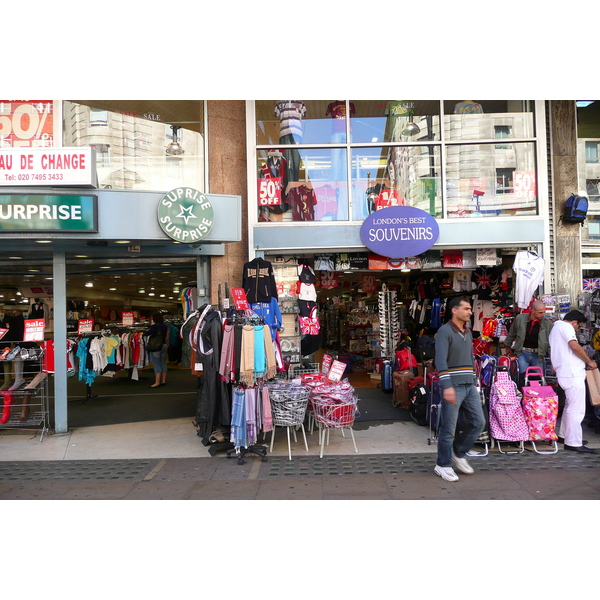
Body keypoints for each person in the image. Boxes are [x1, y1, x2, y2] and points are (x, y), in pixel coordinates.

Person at [434, 297, 486, 482]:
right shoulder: (444, 331)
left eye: (470, 309)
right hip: (453, 385)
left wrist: (474, 379)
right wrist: (447, 386)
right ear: (454, 311)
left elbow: (470, 357)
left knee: (478, 422)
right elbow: (440, 360)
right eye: (466, 308)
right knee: (448, 428)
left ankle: (458, 451)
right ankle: (443, 464)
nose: (470, 312)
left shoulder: (468, 332)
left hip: (469, 385)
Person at [549, 310, 597, 454]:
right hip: (572, 373)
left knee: (571, 405)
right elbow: (574, 346)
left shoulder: (555, 327)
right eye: (578, 327)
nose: (577, 330)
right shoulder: (566, 327)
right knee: (576, 409)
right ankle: (573, 442)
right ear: (575, 322)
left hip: (565, 372)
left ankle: (565, 436)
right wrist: (589, 361)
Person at [503, 300, 553, 384]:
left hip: (538, 354)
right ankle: (524, 395)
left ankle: (537, 396)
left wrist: (553, 359)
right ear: (532, 311)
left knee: (538, 379)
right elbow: (512, 333)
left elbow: (550, 342)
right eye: (540, 312)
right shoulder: (520, 319)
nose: (543, 314)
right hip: (522, 352)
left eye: (544, 312)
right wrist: (507, 346)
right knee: (523, 377)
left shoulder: (548, 324)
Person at [147, 312, 169, 388]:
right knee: (163, 362)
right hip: (164, 345)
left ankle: (157, 382)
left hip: (156, 347)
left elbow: (147, 333)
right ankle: (163, 381)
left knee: (156, 364)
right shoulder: (165, 326)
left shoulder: (154, 326)